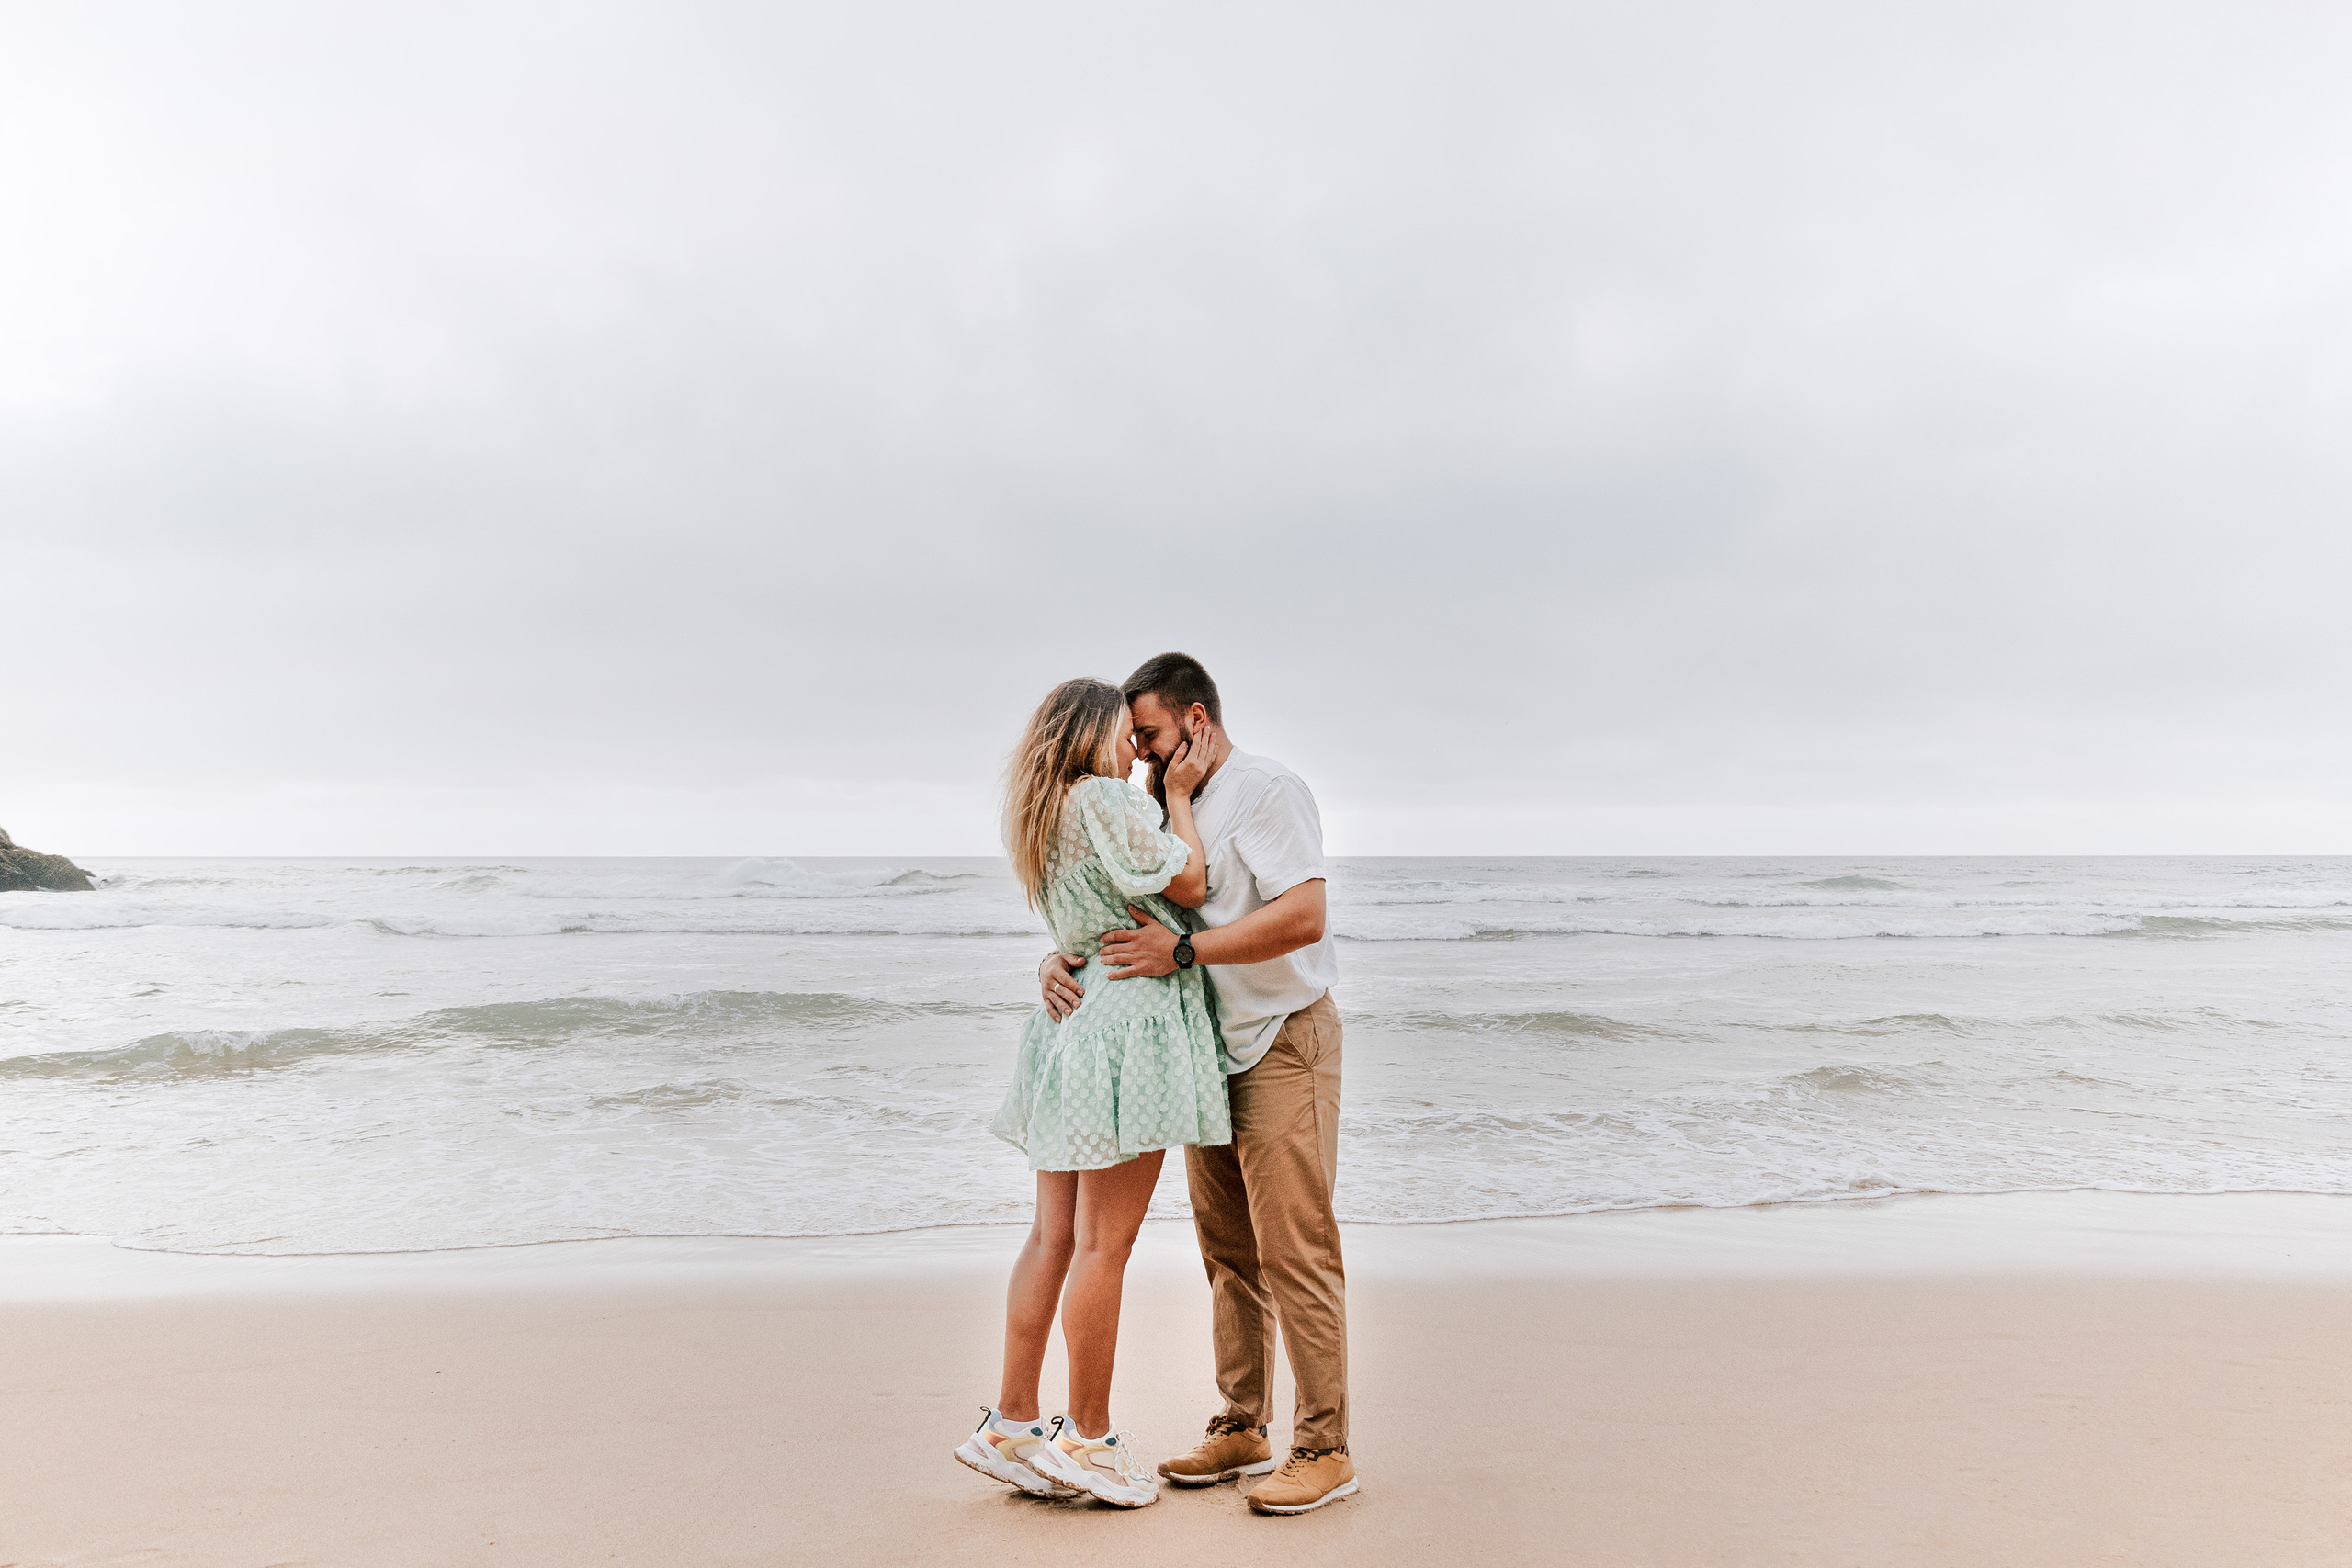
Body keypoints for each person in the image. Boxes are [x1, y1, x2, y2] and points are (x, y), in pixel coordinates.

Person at [1037, 652, 1355, 1517]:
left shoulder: (1266, 790)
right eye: (1134, 741)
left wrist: (1185, 952)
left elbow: (1304, 914)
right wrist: (1057, 957)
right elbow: (1133, 901)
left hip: (1285, 1039)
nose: (1139, 754)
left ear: (1198, 722)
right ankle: (1243, 1423)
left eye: (1149, 735)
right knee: (1228, 1253)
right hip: (1206, 1051)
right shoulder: (1161, 800)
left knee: (1297, 1248)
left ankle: (1325, 1444)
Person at [953, 676, 1229, 1509]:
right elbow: (1187, 884)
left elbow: (1074, 924)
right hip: (1128, 1023)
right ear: (1091, 735)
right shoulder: (1106, 796)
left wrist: (1052, 956)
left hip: (1072, 1024)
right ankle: (1092, 1438)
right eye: (1123, 732)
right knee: (1105, 1245)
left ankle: (1012, 1420)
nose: (1132, 747)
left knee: (1053, 1236)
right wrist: (1176, 795)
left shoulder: (1040, 810)